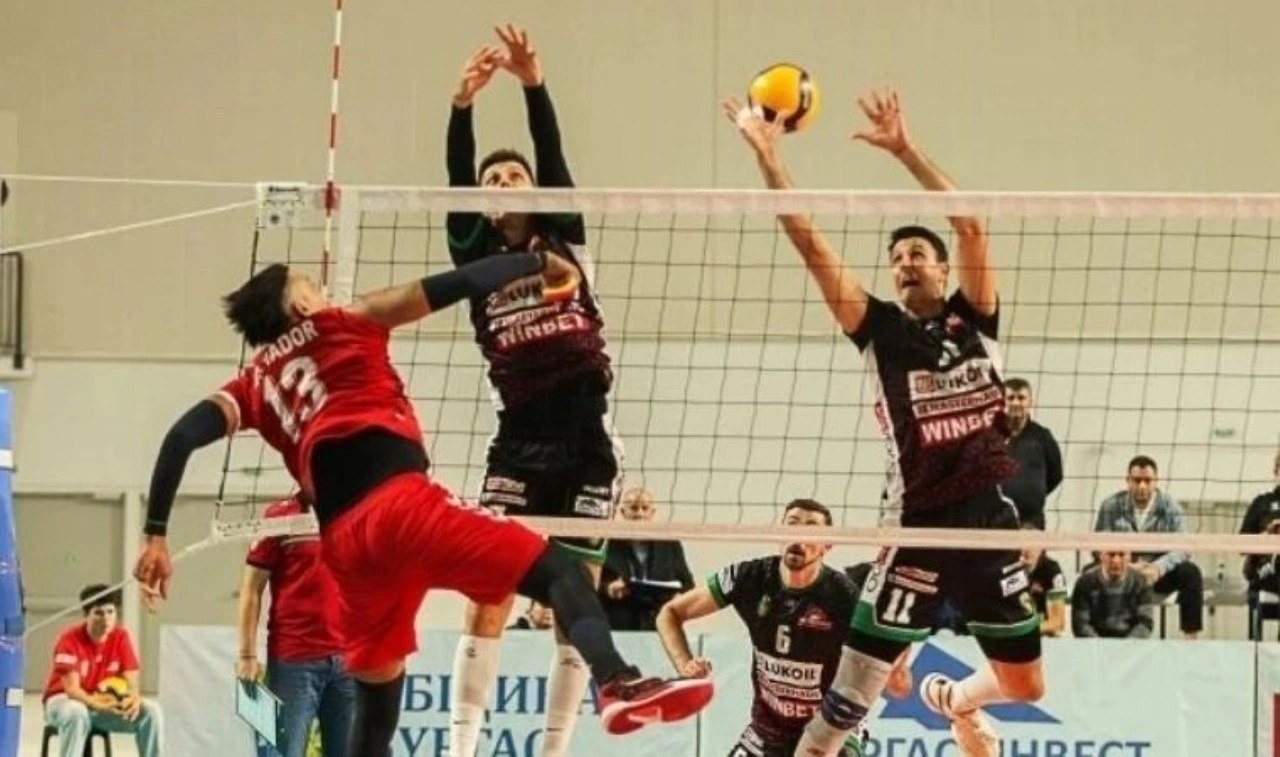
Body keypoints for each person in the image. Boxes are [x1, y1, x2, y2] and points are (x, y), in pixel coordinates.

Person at [131, 251, 713, 757]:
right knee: (560, 572)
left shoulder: (252, 383)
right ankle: (617, 681)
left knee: (377, 705)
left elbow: (180, 437)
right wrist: (541, 262)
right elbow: (461, 281)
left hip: (346, 549)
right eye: (310, 284)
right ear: (303, 307)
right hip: (401, 505)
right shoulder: (345, 320)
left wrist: (155, 534)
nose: (322, 290)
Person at [721, 88, 1044, 757]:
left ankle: (952, 699)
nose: (905, 264)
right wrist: (768, 157)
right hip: (915, 524)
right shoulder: (880, 331)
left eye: (917, 253)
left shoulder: (976, 322)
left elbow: (971, 225)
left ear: (943, 268)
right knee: (838, 716)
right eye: (896, 258)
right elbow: (809, 243)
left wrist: (904, 149)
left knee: (1026, 685)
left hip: (987, 521)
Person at [442, 25, 625, 757]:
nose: (502, 185)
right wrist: (461, 106)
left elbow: (552, 159)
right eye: (492, 182)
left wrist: (533, 85)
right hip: (517, 439)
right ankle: (460, 747)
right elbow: (456, 181)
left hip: (586, 439)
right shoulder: (474, 251)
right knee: (489, 592)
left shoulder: (563, 233)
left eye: (513, 177)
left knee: (574, 596)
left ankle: (553, 749)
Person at [656, 500, 865, 757]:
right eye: (792, 525)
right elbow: (669, 613)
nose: (799, 536)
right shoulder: (749, 577)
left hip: (829, 726)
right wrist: (685, 665)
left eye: (811, 528)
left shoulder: (844, 596)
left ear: (827, 545)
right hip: (769, 729)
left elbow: (875, 659)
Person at [237, 494, 355, 757]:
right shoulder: (280, 517)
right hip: (293, 661)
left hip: (349, 662)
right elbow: (251, 588)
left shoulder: (357, 511)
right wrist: (246, 655)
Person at [42, 585, 162, 757]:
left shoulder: (120, 637)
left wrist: (133, 700)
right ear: (86, 615)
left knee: (151, 712)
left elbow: (131, 683)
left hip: (102, 705)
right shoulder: (69, 639)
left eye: (110, 612)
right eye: (98, 613)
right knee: (77, 712)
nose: (106, 618)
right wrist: (96, 704)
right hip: (64, 701)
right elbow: (72, 690)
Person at [1093, 455, 1203, 638]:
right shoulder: (1111, 506)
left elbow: (1183, 548)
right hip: (1121, 569)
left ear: (1156, 481)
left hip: (1157, 573)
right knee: (1090, 574)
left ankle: (1191, 637)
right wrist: (1126, 566)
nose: (1142, 486)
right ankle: (1099, 635)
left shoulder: (1171, 508)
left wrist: (1158, 568)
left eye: (1147, 480)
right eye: (1137, 480)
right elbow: (1098, 546)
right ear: (1128, 480)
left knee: (1190, 573)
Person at [599, 487, 695, 631]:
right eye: (634, 508)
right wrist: (608, 589)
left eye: (645, 508)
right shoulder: (607, 543)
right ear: (623, 512)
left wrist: (679, 598)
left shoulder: (670, 544)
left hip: (659, 624)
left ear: (652, 513)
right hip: (618, 624)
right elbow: (590, 584)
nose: (639, 514)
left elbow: (688, 584)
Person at [1000, 378, 1064, 529]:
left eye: (1021, 398)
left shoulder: (1042, 437)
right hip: (995, 519)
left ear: (1030, 403)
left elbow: (1056, 474)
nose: (1016, 403)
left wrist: (1033, 493)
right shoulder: (989, 437)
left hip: (1031, 521)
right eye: (1010, 398)